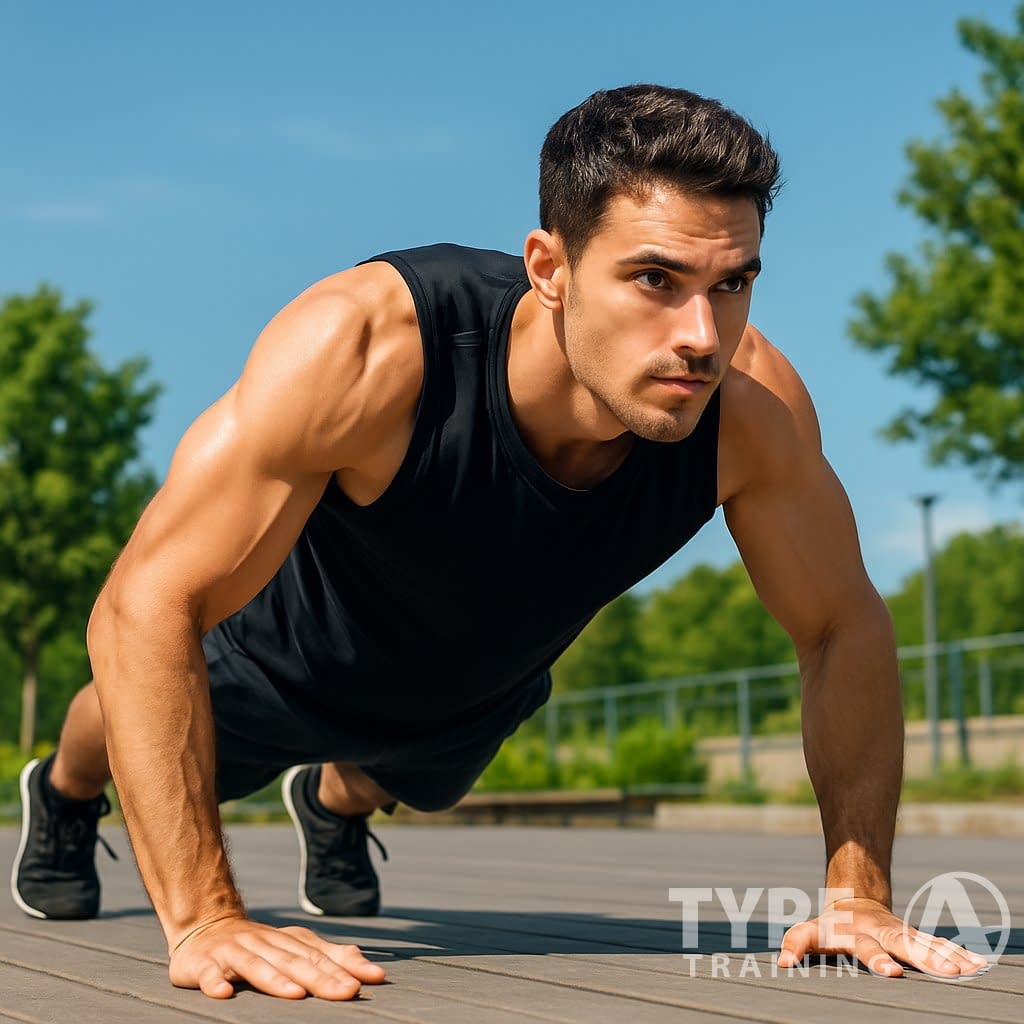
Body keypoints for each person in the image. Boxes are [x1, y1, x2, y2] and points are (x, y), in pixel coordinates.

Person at [11, 84, 988, 1001]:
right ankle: (59, 793)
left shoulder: (751, 413)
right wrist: (206, 918)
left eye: (731, 283)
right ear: (549, 269)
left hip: (481, 677)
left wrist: (856, 893)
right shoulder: (367, 347)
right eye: (655, 278)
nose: (700, 332)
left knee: (416, 773)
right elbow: (145, 605)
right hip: (291, 649)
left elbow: (840, 623)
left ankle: (336, 803)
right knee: (112, 716)